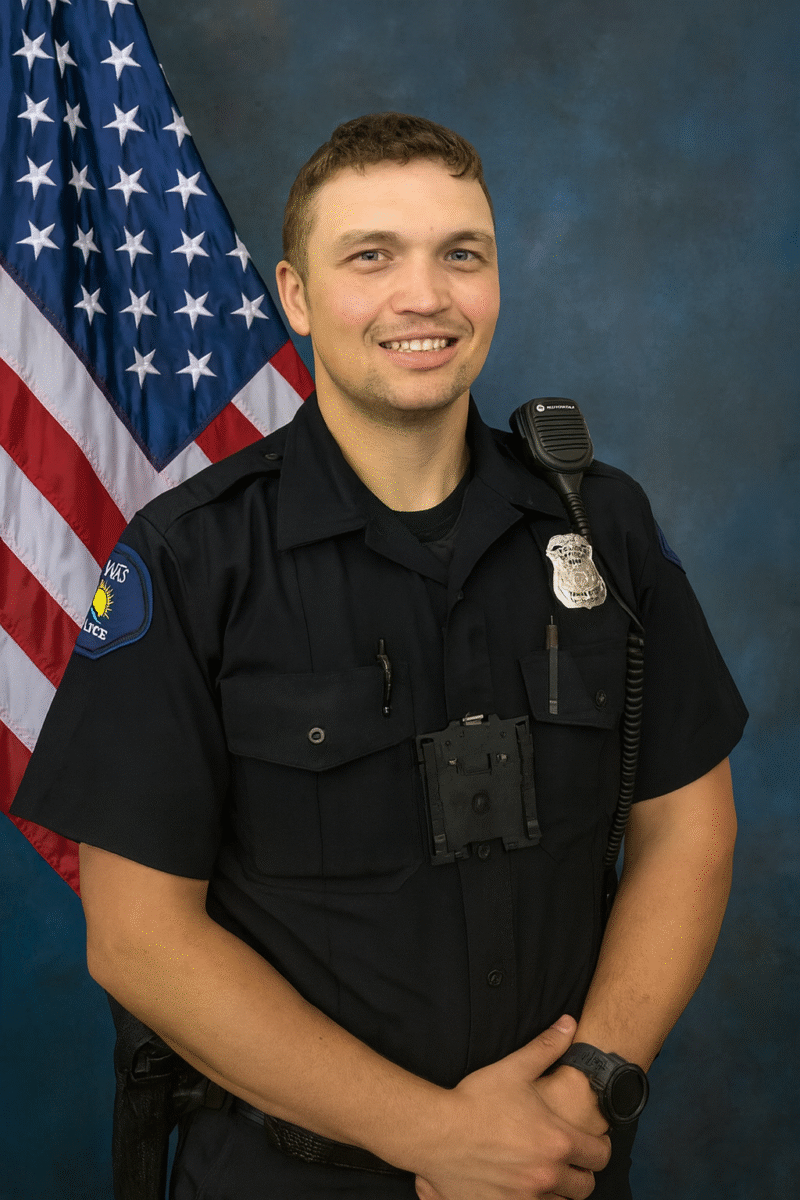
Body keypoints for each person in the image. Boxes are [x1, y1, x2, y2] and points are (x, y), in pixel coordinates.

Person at [12, 112, 747, 1200]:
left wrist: (591, 1081)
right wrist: (434, 1138)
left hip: (558, 1170)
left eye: (461, 254)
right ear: (296, 297)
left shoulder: (601, 527)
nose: (424, 295)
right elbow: (139, 942)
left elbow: (687, 823)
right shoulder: (192, 559)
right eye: (370, 256)